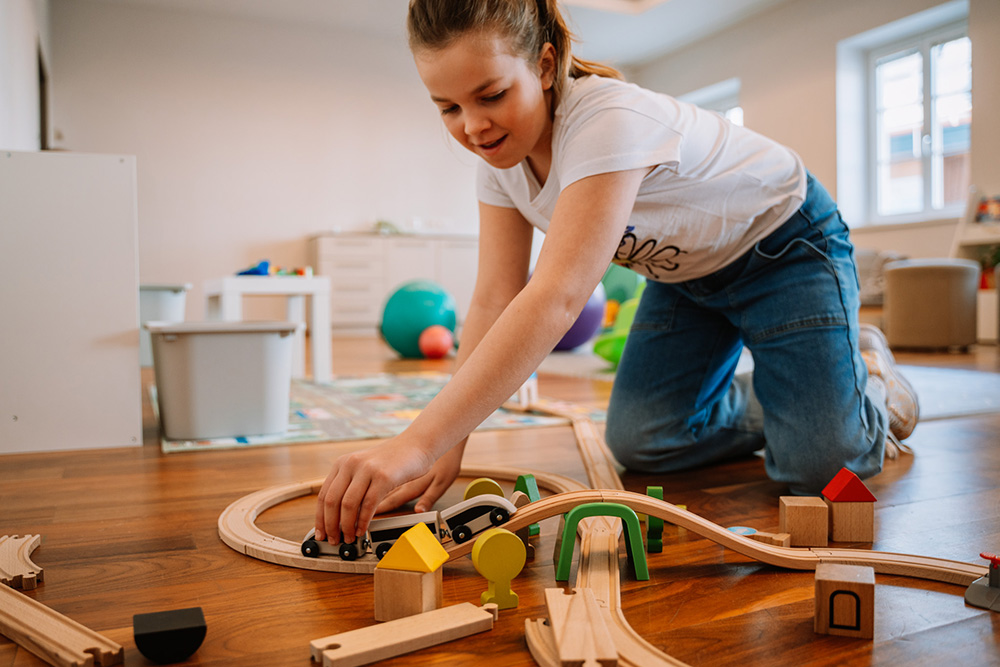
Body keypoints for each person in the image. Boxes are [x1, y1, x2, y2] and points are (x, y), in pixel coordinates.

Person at [314, 0, 918, 547]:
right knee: (645, 442)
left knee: (816, 469)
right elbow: (496, 297)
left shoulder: (605, 119)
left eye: (491, 95)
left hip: (785, 248)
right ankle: (808, 391)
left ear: (545, 66)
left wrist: (415, 441)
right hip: (687, 278)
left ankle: (862, 382)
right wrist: (447, 442)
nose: (472, 127)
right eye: (448, 107)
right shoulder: (499, 162)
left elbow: (556, 297)